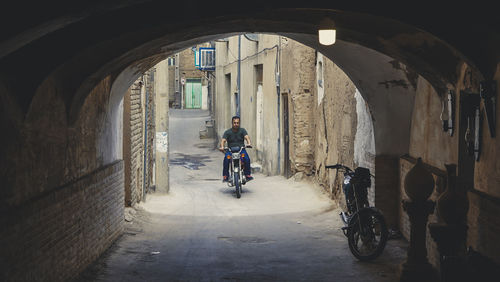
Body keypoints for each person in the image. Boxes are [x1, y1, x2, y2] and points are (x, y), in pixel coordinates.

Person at [219, 116, 254, 182]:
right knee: (226, 159)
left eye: (237, 123)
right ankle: (225, 176)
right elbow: (223, 140)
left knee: (246, 159)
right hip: (230, 150)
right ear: (232, 123)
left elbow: (247, 137)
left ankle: (247, 175)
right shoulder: (228, 132)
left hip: (241, 150)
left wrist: (249, 143)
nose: (236, 124)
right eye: (234, 123)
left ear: (239, 123)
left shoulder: (242, 130)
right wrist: (222, 147)